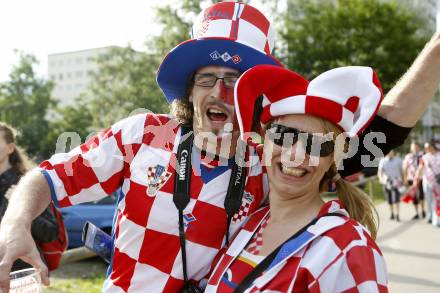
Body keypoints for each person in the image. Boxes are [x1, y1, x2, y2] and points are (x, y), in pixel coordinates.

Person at [0, 2, 439, 292]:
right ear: (189, 93)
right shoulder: (139, 137)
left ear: (256, 101)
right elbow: (49, 177)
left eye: (235, 82)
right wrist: (15, 222)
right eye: (207, 79)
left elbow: (373, 135)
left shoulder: (271, 158)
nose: (219, 92)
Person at [206, 65, 387, 292]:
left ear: (333, 157)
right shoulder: (252, 221)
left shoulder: (349, 246)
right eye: (284, 135)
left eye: (318, 145)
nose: (296, 155)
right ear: (265, 140)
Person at [0, 122, 59, 271]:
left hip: (21, 275)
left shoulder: (28, 184)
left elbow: (51, 232)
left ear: (10, 148)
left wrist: (22, 207)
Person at [416, 140, 440, 225]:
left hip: (438, 182)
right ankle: (430, 216)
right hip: (427, 182)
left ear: (432, 147)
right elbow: (420, 168)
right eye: (426, 148)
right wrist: (417, 178)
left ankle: (436, 218)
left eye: (428, 147)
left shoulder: (439, 155)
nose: (427, 149)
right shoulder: (424, 157)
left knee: (436, 200)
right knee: (429, 200)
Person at [378, 150, 403, 221]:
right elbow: (380, 171)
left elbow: (402, 170)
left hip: (397, 181)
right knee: (389, 198)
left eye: (391, 152)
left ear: (393, 152)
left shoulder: (398, 160)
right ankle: (392, 213)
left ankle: (397, 214)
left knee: (397, 198)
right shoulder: (382, 161)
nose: (390, 153)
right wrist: (381, 178)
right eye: (388, 152)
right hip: (387, 182)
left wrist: (403, 180)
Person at [402, 141, 425, 219]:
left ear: (418, 147)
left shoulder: (422, 155)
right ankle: (417, 213)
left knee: (421, 195)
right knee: (414, 196)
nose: (414, 148)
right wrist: (404, 178)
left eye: (416, 147)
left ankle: (423, 211)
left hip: (421, 178)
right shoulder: (408, 156)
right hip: (411, 178)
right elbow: (405, 167)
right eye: (413, 147)